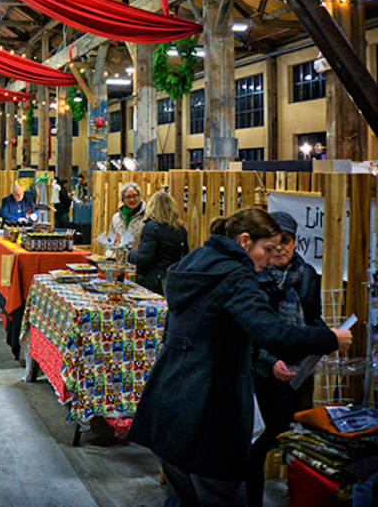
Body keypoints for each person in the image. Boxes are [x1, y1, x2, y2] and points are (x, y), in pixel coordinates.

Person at [128, 208, 351, 507]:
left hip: (172, 400)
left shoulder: (199, 261)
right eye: (267, 249)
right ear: (245, 241)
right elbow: (272, 332)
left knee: (183, 498)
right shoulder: (235, 274)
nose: (271, 257)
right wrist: (330, 338)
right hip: (208, 409)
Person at [245, 212, 324, 507]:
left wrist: (326, 338)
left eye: (286, 241)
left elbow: (314, 319)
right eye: (274, 242)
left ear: (294, 242)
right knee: (256, 448)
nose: (280, 248)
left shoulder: (308, 276)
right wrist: (269, 362)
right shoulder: (254, 276)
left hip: (298, 376)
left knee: (294, 440)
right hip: (262, 376)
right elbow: (251, 331)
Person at [127, 191, 188, 295]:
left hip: (153, 281)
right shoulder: (180, 229)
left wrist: (130, 253)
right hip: (172, 279)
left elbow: (143, 259)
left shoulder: (151, 228)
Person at [106, 181, 147, 247]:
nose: (132, 199)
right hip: (120, 257)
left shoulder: (147, 216)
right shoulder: (116, 218)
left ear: (139, 196)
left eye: (134, 196)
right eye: (128, 197)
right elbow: (111, 240)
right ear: (123, 199)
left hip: (139, 256)